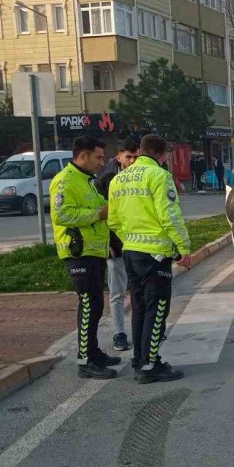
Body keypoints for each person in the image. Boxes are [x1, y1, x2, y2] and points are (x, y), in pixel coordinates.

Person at [108, 135, 192, 383]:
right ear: (162, 154)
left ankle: (140, 359)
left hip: (131, 252)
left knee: (140, 308)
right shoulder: (159, 176)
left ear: (141, 151)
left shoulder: (118, 179)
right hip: (155, 254)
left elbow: (113, 221)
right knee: (157, 310)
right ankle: (150, 365)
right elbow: (169, 216)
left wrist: (130, 240)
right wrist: (183, 247)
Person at [50, 136, 121, 379]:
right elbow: (62, 214)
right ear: (83, 156)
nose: (102, 162)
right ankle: (85, 360)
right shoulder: (65, 180)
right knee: (89, 305)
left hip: (95, 251)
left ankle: (92, 352)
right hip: (78, 252)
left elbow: (104, 208)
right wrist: (97, 214)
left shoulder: (88, 181)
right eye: (98, 157)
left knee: (96, 305)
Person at [95, 138, 139, 352]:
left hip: (139, 242)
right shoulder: (107, 178)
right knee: (117, 292)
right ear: (119, 156)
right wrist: (109, 243)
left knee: (140, 289)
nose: (132, 161)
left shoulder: (144, 173)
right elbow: (105, 213)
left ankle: (145, 329)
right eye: (128, 157)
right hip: (116, 244)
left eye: (136, 157)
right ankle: (119, 333)